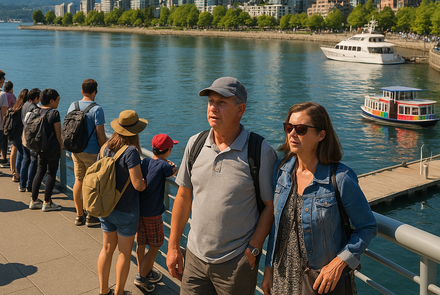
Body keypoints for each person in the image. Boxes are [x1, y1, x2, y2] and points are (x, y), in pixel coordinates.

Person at [166, 77, 276, 295]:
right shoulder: (195, 143)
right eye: (210, 102)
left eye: (222, 102)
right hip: (194, 259)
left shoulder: (261, 151)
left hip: (236, 264)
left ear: (240, 109)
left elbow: (271, 207)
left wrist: (253, 250)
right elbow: (183, 197)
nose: (213, 108)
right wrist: (172, 246)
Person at [262, 102, 377, 295]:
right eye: (288, 127)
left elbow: (367, 226)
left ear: (321, 135)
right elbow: (277, 227)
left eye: (301, 129)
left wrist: (339, 263)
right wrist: (268, 268)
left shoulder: (340, 178)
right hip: (283, 276)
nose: (292, 134)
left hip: (321, 282)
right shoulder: (281, 171)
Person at [97, 110, 147, 295]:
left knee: (107, 249)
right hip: (126, 210)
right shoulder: (131, 151)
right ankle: (119, 292)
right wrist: (146, 182)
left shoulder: (105, 147)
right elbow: (138, 184)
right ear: (135, 131)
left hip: (106, 207)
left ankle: (104, 291)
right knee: (124, 253)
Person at [134, 133, 177, 293]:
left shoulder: (145, 161)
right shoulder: (164, 166)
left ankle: (145, 270)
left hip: (140, 210)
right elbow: (173, 170)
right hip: (153, 214)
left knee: (141, 243)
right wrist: (171, 164)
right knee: (156, 245)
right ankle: (141, 277)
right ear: (168, 150)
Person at [70, 78, 107, 227]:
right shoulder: (97, 109)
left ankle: (79, 215)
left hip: (76, 150)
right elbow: (100, 134)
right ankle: (91, 216)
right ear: (95, 92)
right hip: (92, 151)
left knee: (79, 180)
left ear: (81, 91)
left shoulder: (73, 105)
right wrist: (105, 151)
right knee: (93, 184)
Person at [28, 89, 64, 211]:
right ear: (52, 101)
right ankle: (47, 202)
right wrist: (61, 147)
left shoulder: (36, 111)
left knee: (39, 172)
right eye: (58, 99)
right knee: (51, 174)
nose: (59, 102)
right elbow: (58, 134)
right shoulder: (54, 114)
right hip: (52, 148)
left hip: (40, 147)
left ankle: (33, 200)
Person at [18, 88, 40, 192]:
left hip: (23, 135)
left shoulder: (25, 104)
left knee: (25, 158)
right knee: (33, 161)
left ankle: (22, 184)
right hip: (31, 137)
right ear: (36, 98)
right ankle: (30, 185)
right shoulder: (34, 108)